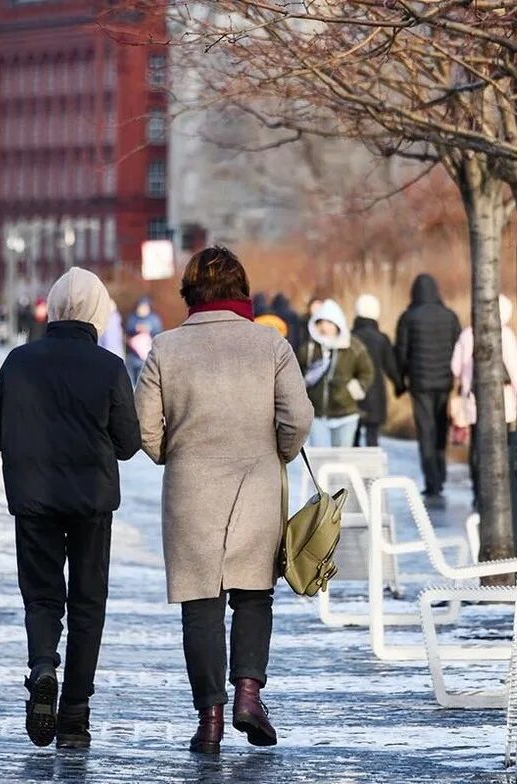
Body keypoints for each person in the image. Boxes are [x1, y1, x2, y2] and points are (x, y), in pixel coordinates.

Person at [134, 246, 313, 755]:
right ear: (241, 290)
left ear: (190, 292)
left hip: (191, 490)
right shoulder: (270, 346)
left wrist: (173, 452)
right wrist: (276, 451)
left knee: (201, 606)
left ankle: (209, 719)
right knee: (254, 594)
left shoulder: (165, 349)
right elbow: (297, 419)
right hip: (256, 485)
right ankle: (249, 695)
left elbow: (144, 425)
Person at [0, 267, 141, 750]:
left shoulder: (19, 362)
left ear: (51, 308)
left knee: (43, 596)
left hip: (33, 499)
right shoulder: (110, 367)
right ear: (98, 312)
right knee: (88, 604)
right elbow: (129, 443)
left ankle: (42, 665)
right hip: (91, 501)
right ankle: (74, 715)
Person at [395, 273, 462, 500]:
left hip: (420, 382)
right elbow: (458, 347)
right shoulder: (449, 316)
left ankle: (431, 480)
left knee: (426, 431)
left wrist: (401, 380)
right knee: (441, 428)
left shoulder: (408, 317)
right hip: (444, 381)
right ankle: (441, 474)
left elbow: (401, 352)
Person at [450, 294, 517, 509]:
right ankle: (501, 492)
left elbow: (455, 368)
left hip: (475, 402)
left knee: (478, 448)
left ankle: (479, 493)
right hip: (504, 403)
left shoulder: (468, 334)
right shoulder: (507, 335)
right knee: (503, 445)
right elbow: (516, 370)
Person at [299, 299, 374, 448]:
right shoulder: (309, 348)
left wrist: (353, 390)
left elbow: (366, 372)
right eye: (320, 323)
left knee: (342, 461)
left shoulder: (353, 346)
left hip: (346, 414)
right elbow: (296, 372)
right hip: (317, 415)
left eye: (329, 323)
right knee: (320, 461)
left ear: (337, 324)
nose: (324, 327)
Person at [351, 294, 401, 447]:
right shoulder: (381, 339)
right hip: (376, 395)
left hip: (354, 392)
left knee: (353, 435)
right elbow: (391, 366)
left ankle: (352, 468)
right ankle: (372, 470)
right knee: (372, 437)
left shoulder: (350, 337)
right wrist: (400, 385)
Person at [125, 296, 163, 384]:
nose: (142, 309)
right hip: (133, 356)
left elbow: (158, 333)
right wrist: (136, 329)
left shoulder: (154, 319)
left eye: (144, 307)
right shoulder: (133, 318)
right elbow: (128, 330)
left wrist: (148, 330)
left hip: (147, 356)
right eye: (140, 307)